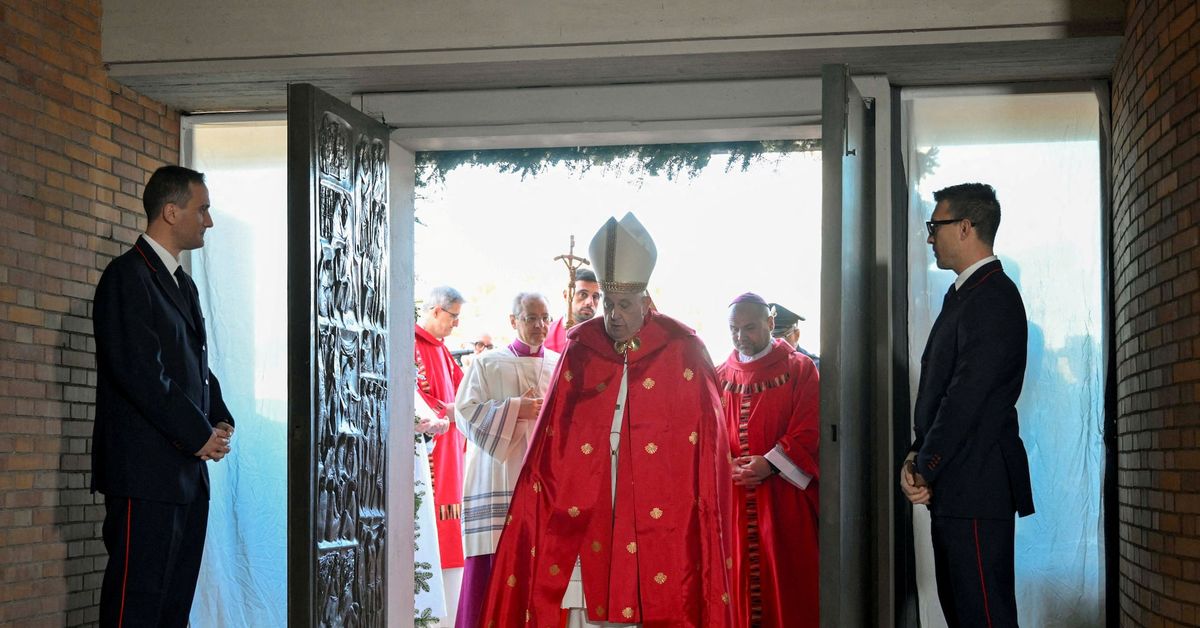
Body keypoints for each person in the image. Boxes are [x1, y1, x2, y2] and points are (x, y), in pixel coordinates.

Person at [480, 213, 737, 627]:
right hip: (594, 486)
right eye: (607, 303)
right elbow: (554, 435)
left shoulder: (683, 348)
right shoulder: (582, 346)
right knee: (587, 599)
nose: (613, 315)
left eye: (624, 305)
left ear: (646, 303)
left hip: (663, 500)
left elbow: (707, 443)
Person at [91, 165, 236, 627]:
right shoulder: (127, 276)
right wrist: (198, 434)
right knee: (136, 604)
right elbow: (140, 373)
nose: (208, 221)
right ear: (171, 212)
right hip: (144, 476)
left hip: (184, 476)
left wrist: (218, 417)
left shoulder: (181, 282)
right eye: (203, 209)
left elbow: (192, 362)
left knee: (173, 604)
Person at [900, 183, 1034, 627]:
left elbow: (967, 399)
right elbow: (946, 398)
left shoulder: (992, 296)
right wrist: (918, 456)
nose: (929, 236)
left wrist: (925, 465)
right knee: (964, 615)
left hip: (977, 484)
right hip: (958, 484)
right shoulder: (965, 293)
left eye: (934, 226)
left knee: (984, 618)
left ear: (964, 227)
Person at [453, 292, 561, 628]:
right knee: (494, 566)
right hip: (499, 478)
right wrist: (516, 409)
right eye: (530, 318)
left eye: (545, 318)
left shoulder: (560, 364)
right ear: (513, 321)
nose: (540, 326)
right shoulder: (488, 364)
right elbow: (464, 413)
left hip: (546, 483)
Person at [718, 293, 820, 627]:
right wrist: (726, 464)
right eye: (734, 329)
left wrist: (769, 463)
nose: (740, 337)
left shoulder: (799, 369)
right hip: (735, 498)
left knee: (788, 590)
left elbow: (810, 427)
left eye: (749, 328)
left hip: (783, 499)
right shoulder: (719, 376)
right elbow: (707, 435)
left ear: (770, 324)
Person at [415, 285, 468, 620]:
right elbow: (413, 396)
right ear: (435, 310)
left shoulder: (442, 350)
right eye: (453, 317)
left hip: (452, 456)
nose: (456, 325)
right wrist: (445, 410)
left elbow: (464, 390)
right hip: (430, 456)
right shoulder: (413, 346)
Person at [544, 267, 600, 352]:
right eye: (583, 294)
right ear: (566, 295)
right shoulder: (545, 335)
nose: (590, 302)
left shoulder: (605, 339)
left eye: (595, 296)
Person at [768, 302, 819, 369]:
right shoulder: (760, 365)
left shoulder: (814, 366)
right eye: (770, 338)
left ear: (796, 335)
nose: (774, 343)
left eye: (780, 336)